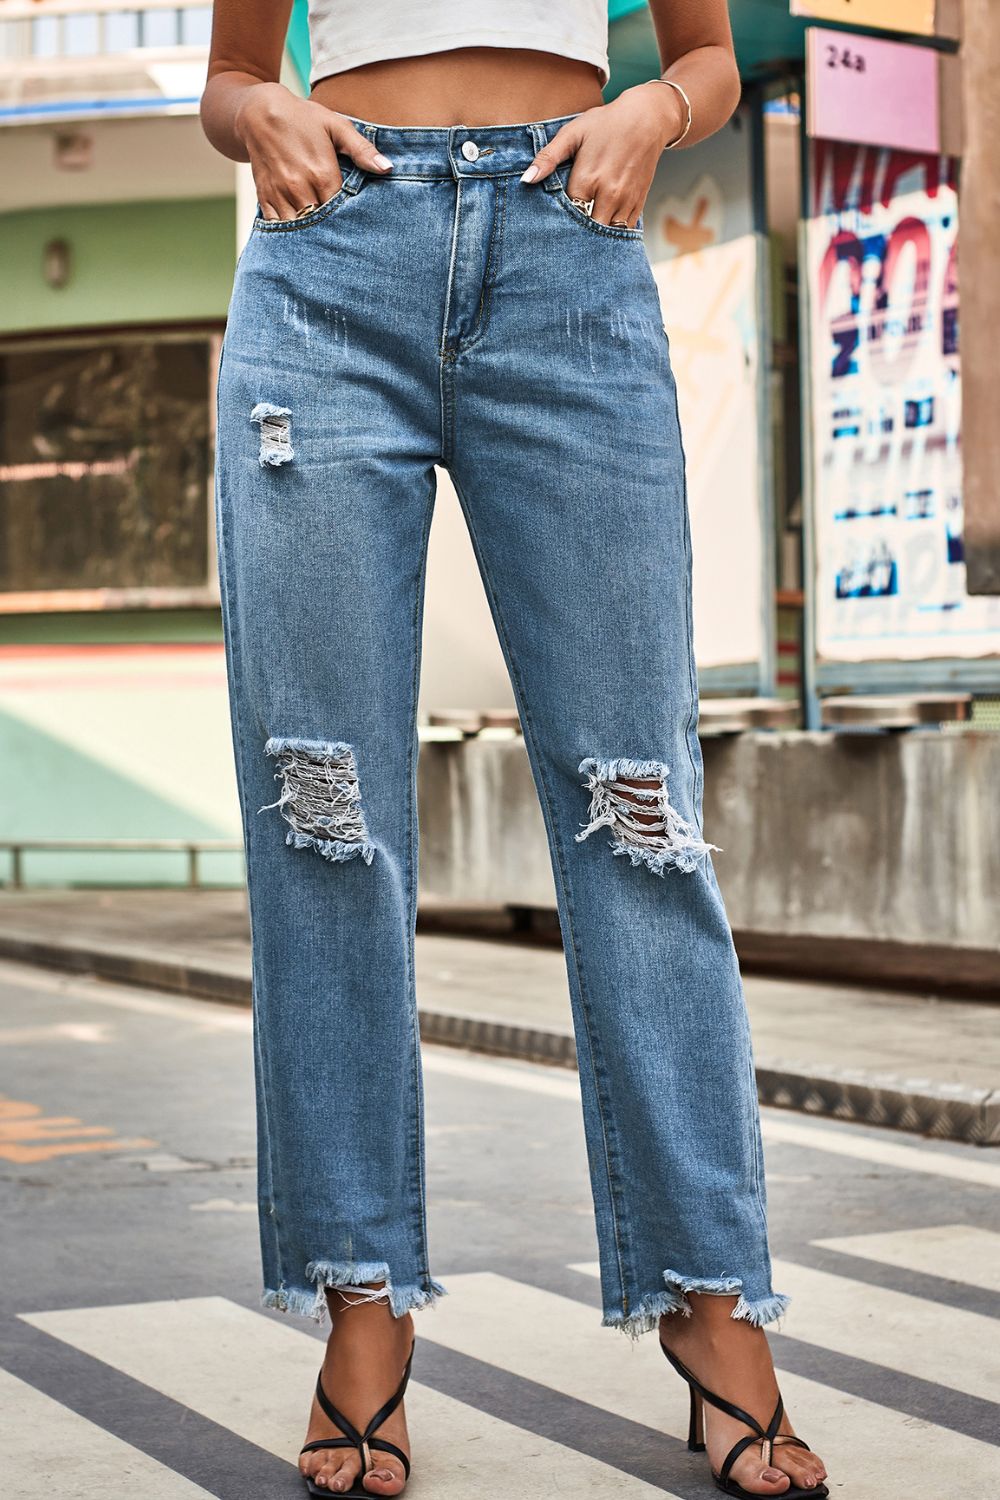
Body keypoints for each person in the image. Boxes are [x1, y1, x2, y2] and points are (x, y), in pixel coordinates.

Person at [200, 3, 830, 1496]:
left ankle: (712, 1299)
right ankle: (362, 1303)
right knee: (324, 817)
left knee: (640, 816)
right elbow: (230, 79)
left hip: (568, 253)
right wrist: (258, 114)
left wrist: (653, 114)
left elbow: (707, 58)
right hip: (330, 262)